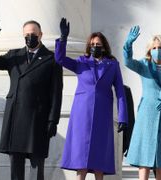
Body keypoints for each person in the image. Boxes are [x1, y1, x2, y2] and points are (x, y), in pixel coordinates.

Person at [0, 19, 63, 180]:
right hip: (16, 118)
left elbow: (56, 92)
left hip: (38, 120)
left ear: (40, 35)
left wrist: (53, 120)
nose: (30, 37)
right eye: (27, 35)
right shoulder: (14, 55)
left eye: (33, 34)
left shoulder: (51, 59)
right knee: (16, 169)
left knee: (36, 168)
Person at [55, 18, 128, 180]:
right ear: (89, 46)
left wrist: (123, 116)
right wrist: (63, 39)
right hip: (82, 113)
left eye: (98, 44)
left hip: (103, 113)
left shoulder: (112, 65)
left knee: (99, 157)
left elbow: (121, 91)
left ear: (104, 47)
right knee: (80, 157)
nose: (95, 47)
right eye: (93, 44)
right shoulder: (81, 62)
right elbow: (60, 59)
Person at [123, 26, 161, 180]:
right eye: (154, 48)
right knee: (144, 158)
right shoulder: (144, 65)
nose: (158, 50)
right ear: (150, 50)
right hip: (147, 115)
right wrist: (128, 45)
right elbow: (128, 62)